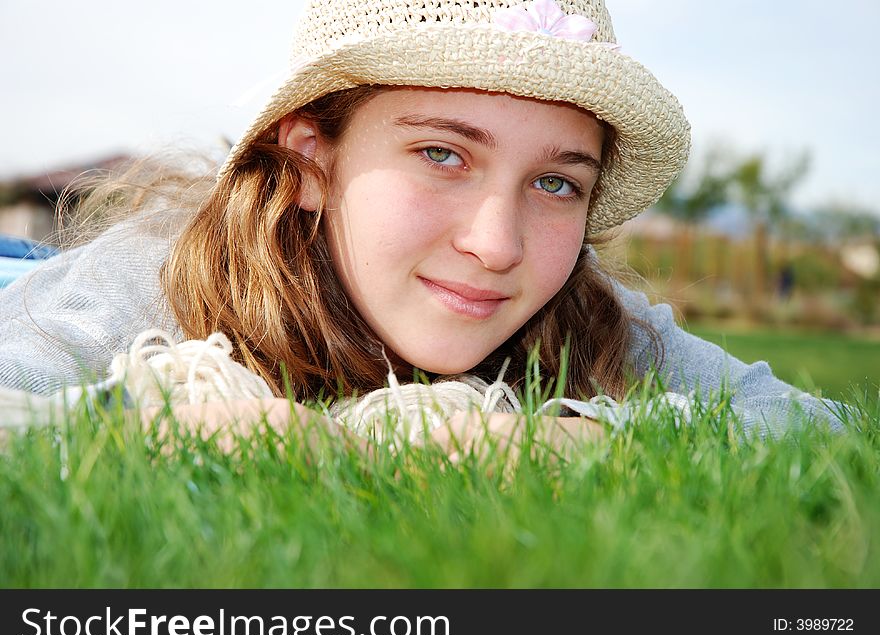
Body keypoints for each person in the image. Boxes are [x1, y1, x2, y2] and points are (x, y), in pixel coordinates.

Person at [0, 0, 841, 448]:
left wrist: (551, 442)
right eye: (442, 154)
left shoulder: (584, 321)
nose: (496, 244)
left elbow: (817, 429)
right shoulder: (151, 282)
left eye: (555, 181)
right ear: (311, 160)